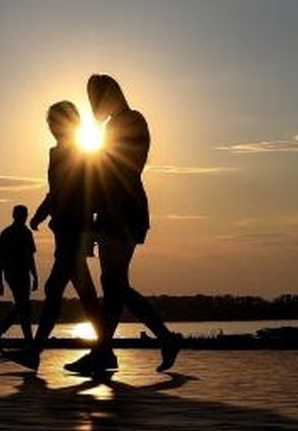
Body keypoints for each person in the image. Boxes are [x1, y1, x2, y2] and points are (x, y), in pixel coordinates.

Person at [67, 74, 182, 376]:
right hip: (114, 211)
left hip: (122, 211)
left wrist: (104, 214)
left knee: (115, 283)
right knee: (114, 285)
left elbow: (119, 171)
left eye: (94, 100)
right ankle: (105, 352)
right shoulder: (115, 125)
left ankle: (161, 339)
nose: (93, 108)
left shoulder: (130, 121)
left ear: (109, 95)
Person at [8, 101, 103, 370]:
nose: (52, 127)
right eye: (50, 123)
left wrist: (53, 214)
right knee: (80, 291)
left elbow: (80, 189)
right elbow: (57, 191)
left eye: (55, 122)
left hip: (73, 228)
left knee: (61, 290)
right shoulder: (63, 152)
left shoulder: (77, 153)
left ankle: (36, 352)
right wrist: (41, 214)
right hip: (68, 228)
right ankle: (102, 348)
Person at [0, 204, 40, 342]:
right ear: (14, 215)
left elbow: (30, 257)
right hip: (12, 273)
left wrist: (35, 276)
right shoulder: (6, 233)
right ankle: (27, 338)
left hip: (24, 273)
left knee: (22, 305)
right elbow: (1, 258)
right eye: (20, 215)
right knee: (23, 305)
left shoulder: (27, 233)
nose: (23, 218)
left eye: (24, 215)